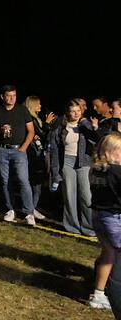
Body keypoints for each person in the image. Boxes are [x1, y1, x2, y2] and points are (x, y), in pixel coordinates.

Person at [0, 85, 36, 225]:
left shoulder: (22, 110)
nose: (12, 98)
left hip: (18, 150)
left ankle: (29, 212)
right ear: (2, 96)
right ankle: (10, 210)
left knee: (23, 180)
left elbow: (31, 131)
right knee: (5, 181)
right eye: (9, 95)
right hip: (2, 149)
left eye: (14, 95)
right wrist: (0, 129)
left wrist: (23, 147)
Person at [48, 99, 96, 236]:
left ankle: (90, 227)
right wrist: (55, 173)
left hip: (83, 162)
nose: (76, 114)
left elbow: (95, 142)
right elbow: (55, 150)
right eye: (73, 111)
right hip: (67, 161)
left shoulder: (85, 124)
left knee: (86, 195)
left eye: (78, 111)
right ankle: (72, 226)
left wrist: (93, 128)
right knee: (69, 195)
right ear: (68, 112)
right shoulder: (62, 126)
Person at [89, 132, 121, 310]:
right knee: (116, 258)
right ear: (113, 151)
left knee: (108, 254)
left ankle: (99, 292)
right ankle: (113, 291)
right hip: (114, 219)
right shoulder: (117, 171)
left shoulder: (95, 169)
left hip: (99, 216)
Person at [24, 96, 55, 219]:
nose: (40, 106)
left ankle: (32, 207)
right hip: (33, 154)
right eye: (38, 104)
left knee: (37, 183)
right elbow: (41, 134)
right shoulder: (31, 119)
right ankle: (30, 208)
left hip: (38, 152)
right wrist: (47, 123)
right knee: (35, 182)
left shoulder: (37, 119)